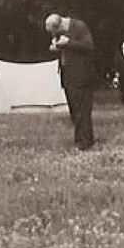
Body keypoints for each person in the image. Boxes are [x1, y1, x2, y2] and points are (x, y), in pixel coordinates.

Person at [45, 12, 97, 150]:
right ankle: (80, 138)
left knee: (83, 109)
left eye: (54, 32)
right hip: (68, 76)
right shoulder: (61, 31)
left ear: (60, 25)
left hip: (82, 75)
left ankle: (86, 141)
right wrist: (57, 47)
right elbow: (67, 50)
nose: (53, 35)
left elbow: (89, 47)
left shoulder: (79, 27)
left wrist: (69, 43)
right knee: (75, 110)